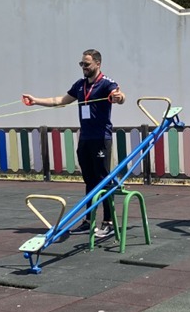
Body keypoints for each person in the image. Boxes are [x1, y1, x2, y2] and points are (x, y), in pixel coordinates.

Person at [22, 49, 125, 238]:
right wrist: (35, 100)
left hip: (101, 139)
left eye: (86, 64)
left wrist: (119, 98)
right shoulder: (80, 85)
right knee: (89, 180)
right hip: (85, 138)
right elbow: (60, 100)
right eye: (81, 64)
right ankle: (88, 220)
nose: (83, 68)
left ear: (97, 64)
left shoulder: (106, 83)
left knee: (104, 180)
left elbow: (119, 96)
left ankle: (108, 221)